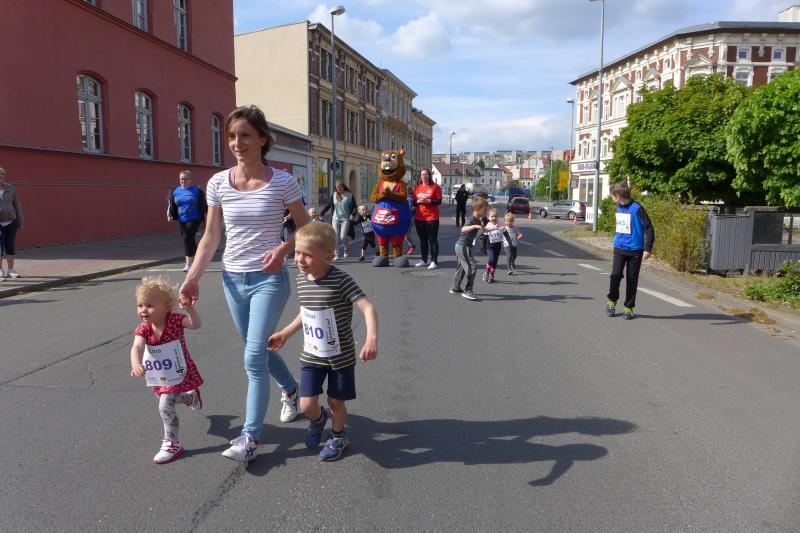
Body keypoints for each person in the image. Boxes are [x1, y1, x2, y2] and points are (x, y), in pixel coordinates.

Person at [179, 105, 308, 462]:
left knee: (252, 356)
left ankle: (250, 437)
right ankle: (291, 389)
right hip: (233, 279)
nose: (237, 143)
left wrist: (283, 249)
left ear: (263, 139)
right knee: (259, 347)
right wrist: (192, 279)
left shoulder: (283, 182)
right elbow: (210, 237)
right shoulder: (218, 183)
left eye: (245, 135)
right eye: (232, 136)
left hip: (270, 279)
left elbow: (305, 228)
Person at [268, 222, 378, 461]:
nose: (300, 259)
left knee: (336, 402)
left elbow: (367, 307)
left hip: (341, 357)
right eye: (297, 252)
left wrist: (371, 338)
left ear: (328, 257)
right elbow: (306, 312)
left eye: (307, 255)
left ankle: (338, 436)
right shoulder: (301, 279)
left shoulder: (341, 280)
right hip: (312, 354)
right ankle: (318, 421)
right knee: (307, 405)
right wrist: (285, 333)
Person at [130, 277, 203, 464]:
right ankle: (190, 398)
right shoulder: (144, 328)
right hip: (159, 375)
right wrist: (136, 363)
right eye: (140, 305)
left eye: (149, 305)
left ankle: (172, 443)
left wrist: (189, 309)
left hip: (178, 371)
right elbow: (137, 347)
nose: (143, 310)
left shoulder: (175, 320)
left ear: (166, 307)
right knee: (167, 401)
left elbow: (195, 324)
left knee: (165, 405)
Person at [606, 182, 655, 320]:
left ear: (618, 195)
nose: (611, 198)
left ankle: (629, 307)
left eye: (612, 195)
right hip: (619, 248)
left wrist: (648, 248)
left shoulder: (637, 209)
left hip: (635, 250)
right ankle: (612, 300)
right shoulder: (618, 207)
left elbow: (649, 228)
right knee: (615, 275)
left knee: (632, 279)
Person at [450, 197, 489, 301]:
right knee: (472, 267)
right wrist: (475, 226)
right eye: (484, 210)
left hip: (461, 246)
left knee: (462, 267)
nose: (486, 212)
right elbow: (463, 229)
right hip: (463, 246)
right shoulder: (471, 219)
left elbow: (483, 229)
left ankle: (455, 288)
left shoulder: (478, 220)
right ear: (476, 209)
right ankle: (468, 290)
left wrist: (494, 228)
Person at [168, 170, 207, 272]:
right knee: (190, 240)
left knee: (187, 238)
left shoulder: (197, 191)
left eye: (186, 179)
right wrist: (169, 214)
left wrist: (206, 220)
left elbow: (204, 206)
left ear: (190, 180)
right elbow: (171, 203)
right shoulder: (175, 191)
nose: (183, 181)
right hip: (182, 219)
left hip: (194, 218)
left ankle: (188, 264)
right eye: (182, 179)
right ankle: (198, 258)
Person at [412, 168, 442, 269]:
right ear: (420, 176)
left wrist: (428, 201)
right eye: (422, 174)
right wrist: (418, 202)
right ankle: (424, 260)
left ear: (429, 176)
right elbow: (414, 203)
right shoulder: (417, 187)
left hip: (432, 218)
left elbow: (439, 201)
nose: (424, 176)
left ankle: (434, 261)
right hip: (419, 217)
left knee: (432, 239)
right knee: (422, 240)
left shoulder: (435, 187)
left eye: (426, 174)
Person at [320, 180, 357, 260]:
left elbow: (355, 207)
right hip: (335, 218)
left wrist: (353, 215)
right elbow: (328, 205)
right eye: (337, 187)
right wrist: (322, 214)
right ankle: (336, 254)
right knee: (335, 237)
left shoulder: (349, 195)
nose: (338, 189)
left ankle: (346, 247)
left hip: (345, 219)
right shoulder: (334, 195)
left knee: (342, 237)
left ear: (343, 187)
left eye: (339, 187)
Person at [0, 166, 25, 279]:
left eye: (2, 175)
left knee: (10, 246)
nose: (0, 177)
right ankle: (0, 270)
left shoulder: (10, 188)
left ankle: (11, 270)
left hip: (11, 222)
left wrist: (20, 220)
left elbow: (17, 205)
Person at [482, 208, 507, 283]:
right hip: (489, 246)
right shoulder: (488, 225)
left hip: (498, 246)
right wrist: (483, 247)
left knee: (495, 262)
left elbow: (506, 234)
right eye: (492, 216)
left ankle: (492, 275)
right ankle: (486, 272)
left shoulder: (501, 225)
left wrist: (510, 242)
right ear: (488, 217)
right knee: (491, 259)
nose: (494, 218)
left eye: (495, 216)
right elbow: (484, 238)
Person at [403, 179, 417, 255]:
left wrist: (407, 209)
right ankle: (410, 246)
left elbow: (413, 207)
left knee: (406, 232)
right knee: (406, 232)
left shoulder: (411, 197)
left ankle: (412, 246)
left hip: (411, 216)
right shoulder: (406, 196)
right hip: (407, 216)